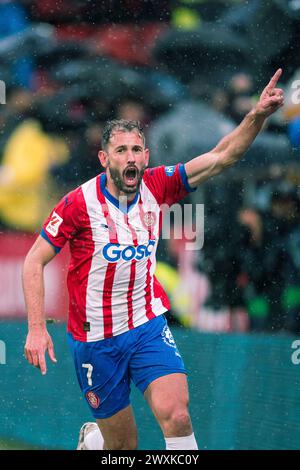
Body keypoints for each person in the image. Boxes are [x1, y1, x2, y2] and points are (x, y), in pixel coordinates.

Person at [23, 69, 284, 450]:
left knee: (177, 415)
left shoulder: (158, 184)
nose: (130, 158)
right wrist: (35, 327)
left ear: (145, 155)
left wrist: (257, 115)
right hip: (95, 340)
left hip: (145, 324)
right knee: (123, 448)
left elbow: (223, 155)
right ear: (104, 158)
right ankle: (95, 440)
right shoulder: (78, 204)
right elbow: (34, 261)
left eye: (136, 150)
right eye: (120, 151)